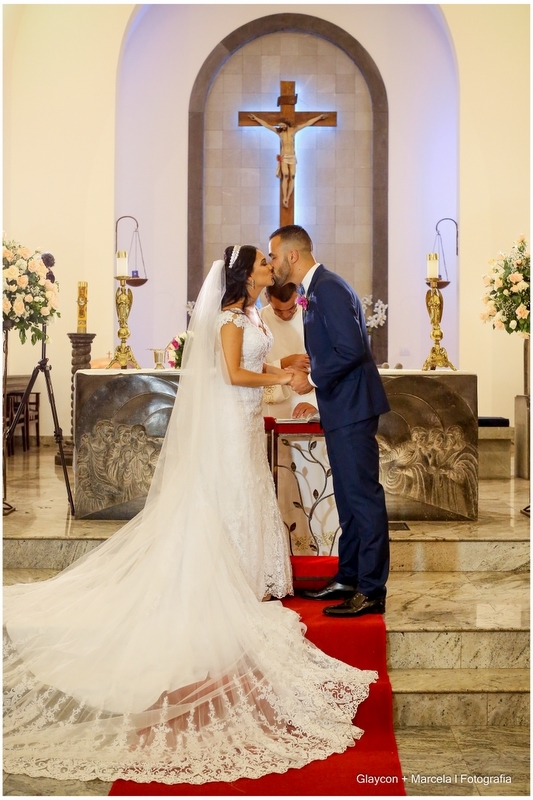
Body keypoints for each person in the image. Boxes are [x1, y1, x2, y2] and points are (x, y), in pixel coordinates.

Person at [4, 245, 376, 785]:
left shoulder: (250, 315)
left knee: (249, 491)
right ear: (246, 275)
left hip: (247, 425)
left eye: (273, 262)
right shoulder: (228, 319)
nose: (270, 269)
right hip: (230, 422)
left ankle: (245, 575)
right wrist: (280, 380)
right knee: (228, 493)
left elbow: (255, 364)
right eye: (262, 265)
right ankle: (220, 580)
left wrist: (293, 366)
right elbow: (231, 374)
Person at [268, 225, 391, 618]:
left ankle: (371, 589)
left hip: (352, 409)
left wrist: (313, 377)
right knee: (349, 499)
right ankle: (350, 577)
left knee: (362, 498)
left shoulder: (329, 288)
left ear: (292, 255)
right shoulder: (317, 289)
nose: (271, 264)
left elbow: (352, 349)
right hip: (344, 409)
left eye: (273, 256)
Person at [260, 281, 318, 419]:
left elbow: (330, 363)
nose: (286, 315)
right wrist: (284, 363)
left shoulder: (313, 316)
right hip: (274, 404)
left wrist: (317, 404)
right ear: (267, 298)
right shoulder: (259, 320)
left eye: (292, 308)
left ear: (299, 295)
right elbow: (250, 369)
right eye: (278, 310)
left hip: (310, 397)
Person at [248, 113, 327, 207]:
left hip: (292, 157)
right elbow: (267, 125)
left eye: (282, 125)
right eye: (280, 126)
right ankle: (284, 197)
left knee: (292, 176)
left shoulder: (293, 130)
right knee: (285, 175)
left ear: (286, 124)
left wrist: (319, 117)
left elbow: (307, 123)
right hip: (284, 157)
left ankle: (288, 197)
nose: (281, 127)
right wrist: (256, 118)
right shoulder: (280, 133)